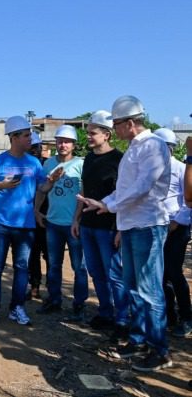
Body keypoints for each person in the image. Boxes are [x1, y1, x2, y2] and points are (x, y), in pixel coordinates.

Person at [79, 95, 172, 372]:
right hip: (131, 224)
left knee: (149, 290)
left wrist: (112, 206)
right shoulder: (133, 148)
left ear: (130, 123)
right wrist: (105, 204)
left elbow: (143, 187)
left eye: (116, 123)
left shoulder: (153, 146)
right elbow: (124, 187)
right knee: (133, 286)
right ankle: (138, 339)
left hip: (148, 225)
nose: (114, 128)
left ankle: (160, 349)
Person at [0, 116, 45, 326]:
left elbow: (43, 188)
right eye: (26, 135)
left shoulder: (34, 163)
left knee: (21, 268)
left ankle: (17, 308)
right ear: (14, 137)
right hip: (0, 224)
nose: (30, 139)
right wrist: (2, 185)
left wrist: (52, 181)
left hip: (25, 226)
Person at [72, 111, 128, 341]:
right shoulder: (90, 159)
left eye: (93, 133)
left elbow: (125, 196)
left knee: (114, 274)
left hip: (109, 227)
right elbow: (83, 192)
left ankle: (122, 320)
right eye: (88, 133)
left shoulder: (119, 160)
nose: (89, 137)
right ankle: (105, 312)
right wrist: (77, 219)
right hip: (88, 225)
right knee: (96, 271)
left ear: (107, 135)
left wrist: (121, 229)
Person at [35, 125, 87, 321]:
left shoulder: (80, 164)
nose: (63, 144)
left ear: (73, 144)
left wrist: (77, 219)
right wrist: (37, 210)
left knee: (79, 267)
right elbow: (42, 189)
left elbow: (84, 195)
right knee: (54, 264)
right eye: (59, 141)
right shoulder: (48, 164)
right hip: (53, 223)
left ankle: (79, 304)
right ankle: (54, 299)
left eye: (67, 141)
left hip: (72, 224)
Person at [153, 128, 192, 338]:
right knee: (161, 274)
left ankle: (187, 316)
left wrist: (177, 221)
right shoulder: (155, 170)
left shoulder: (182, 168)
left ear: (170, 148)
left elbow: (188, 199)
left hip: (177, 228)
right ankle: (169, 315)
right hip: (159, 227)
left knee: (174, 272)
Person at [27, 132, 48, 300]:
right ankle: (34, 286)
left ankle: (53, 289)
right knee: (32, 254)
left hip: (48, 216)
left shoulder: (48, 165)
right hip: (27, 217)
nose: (35, 150)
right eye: (31, 147)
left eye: (37, 147)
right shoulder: (24, 166)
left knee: (50, 255)